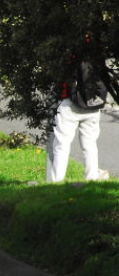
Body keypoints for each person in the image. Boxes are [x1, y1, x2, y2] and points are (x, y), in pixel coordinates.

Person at [46, 51, 111, 182]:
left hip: (70, 105)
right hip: (94, 104)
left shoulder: (69, 49)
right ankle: (91, 178)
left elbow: (62, 77)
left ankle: (56, 181)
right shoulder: (97, 51)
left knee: (61, 145)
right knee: (90, 144)